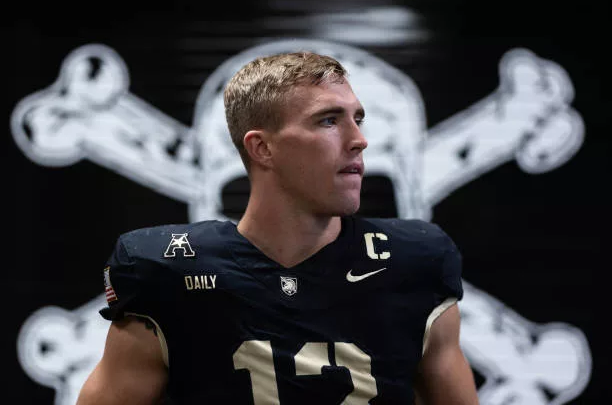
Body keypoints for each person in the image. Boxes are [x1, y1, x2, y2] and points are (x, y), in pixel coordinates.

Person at [76, 51, 479, 404]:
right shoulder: (166, 273)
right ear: (261, 148)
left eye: (357, 119)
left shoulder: (415, 261)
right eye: (328, 120)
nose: (359, 140)